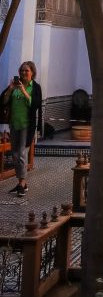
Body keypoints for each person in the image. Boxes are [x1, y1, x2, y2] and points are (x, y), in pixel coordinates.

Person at [0, 61, 42, 197]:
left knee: (22, 154)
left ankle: (22, 184)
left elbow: (35, 104)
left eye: (27, 71)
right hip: (14, 124)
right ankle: (21, 183)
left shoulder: (35, 87)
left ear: (32, 73)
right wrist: (11, 89)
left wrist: (23, 91)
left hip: (26, 125)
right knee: (15, 154)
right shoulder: (14, 86)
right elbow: (3, 101)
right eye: (22, 71)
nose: (24, 73)